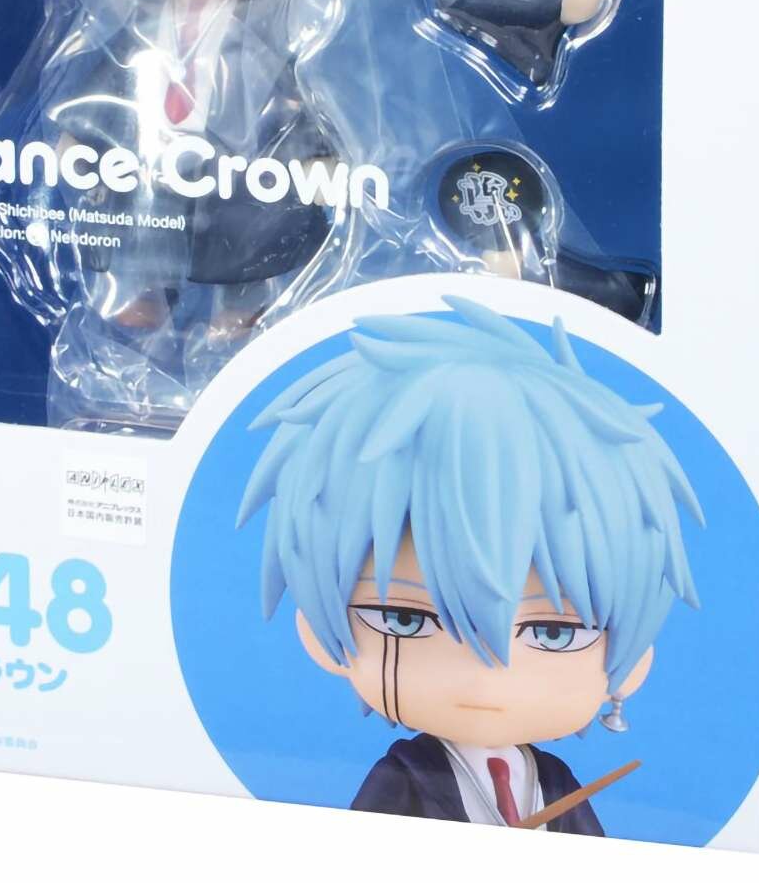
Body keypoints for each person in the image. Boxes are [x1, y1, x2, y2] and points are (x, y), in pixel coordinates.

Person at [238, 297, 701, 830]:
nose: (486, 675)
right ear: (321, 637)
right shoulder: (405, 778)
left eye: (554, 632)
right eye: (405, 619)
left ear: (633, 664)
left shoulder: (554, 781)